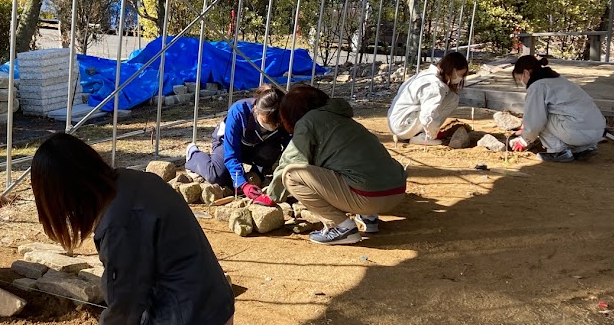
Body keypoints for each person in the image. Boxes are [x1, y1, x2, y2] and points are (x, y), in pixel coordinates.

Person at [31, 132, 262, 325]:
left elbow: (125, 306)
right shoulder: (134, 181)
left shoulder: (118, 223)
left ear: (63, 194)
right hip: (215, 310)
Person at [254, 85, 407, 246]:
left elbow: (291, 161)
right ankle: (369, 217)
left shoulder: (308, 122)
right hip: (395, 191)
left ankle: (342, 228)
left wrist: (271, 196)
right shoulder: (342, 119)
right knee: (337, 164)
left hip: (368, 197)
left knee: (291, 175)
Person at [185, 84, 288, 199]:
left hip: (258, 146)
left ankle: (258, 170)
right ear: (256, 110)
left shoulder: (285, 116)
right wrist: (243, 184)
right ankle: (193, 154)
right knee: (218, 176)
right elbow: (231, 153)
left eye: (276, 124)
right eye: (266, 123)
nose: (270, 127)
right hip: (227, 143)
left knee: (272, 149)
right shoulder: (239, 111)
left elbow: (290, 148)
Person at [508, 55, 605, 162]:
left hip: (577, 133)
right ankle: (583, 149)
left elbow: (535, 121)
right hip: (597, 130)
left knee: (541, 116)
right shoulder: (558, 79)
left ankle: (558, 151)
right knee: (557, 114)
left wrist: (524, 139)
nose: (522, 82)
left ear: (526, 73)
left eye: (520, 79)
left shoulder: (537, 86)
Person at [387, 51, 469, 145]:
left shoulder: (425, 75)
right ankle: (423, 136)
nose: (460, 78)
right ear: (453, 70)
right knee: (453, 99)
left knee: (451, 95)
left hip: (397, 122)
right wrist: (432, 134)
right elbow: (428, 115)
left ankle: (416, 134)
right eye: (461, 74)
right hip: (403, 126)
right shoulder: (435, 85)